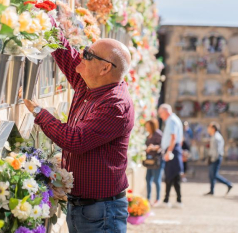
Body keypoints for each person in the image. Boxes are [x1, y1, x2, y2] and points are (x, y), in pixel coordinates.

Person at [24, 35, 134, 233]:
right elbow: (66, 54)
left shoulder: (115, 105)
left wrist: (39, 113)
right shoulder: (91, 84)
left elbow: (74, 140)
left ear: (105, 68)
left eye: (88, 54)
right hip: (83, 208)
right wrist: (45, 17)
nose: (81, 55)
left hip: (101, 212)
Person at [158, 104, 184, 208]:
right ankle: (170, 199)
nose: (160, 116)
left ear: (166, 112)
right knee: (172, 176)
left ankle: (172, 200)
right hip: (174, 149)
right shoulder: (173, 119)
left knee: (172, 176)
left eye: (161, 113)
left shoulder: (172, 120)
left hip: (172, 150)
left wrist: (169, 151)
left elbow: (174, 137)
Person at [205, 122, 233, 196]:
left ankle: (228, 184)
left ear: (213, 129)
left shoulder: (216, 137)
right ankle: (212, 190)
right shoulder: (214, 136)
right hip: (214, 158)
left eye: (209, 128)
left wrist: (212, 159)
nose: (208, 129)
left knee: (214, 175)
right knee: (211, 175)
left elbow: (217, 151)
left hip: (215, 158)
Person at [144, 119, 164, 207]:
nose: (146, 128)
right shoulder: (149, 134)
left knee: (157, 180)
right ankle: (148, 198)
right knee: (148, 179)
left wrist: (153, 147)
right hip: (149, 160)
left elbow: (162, 146)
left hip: (157, 160)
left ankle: (158, 199)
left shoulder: (158, 134)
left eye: (148, 126)